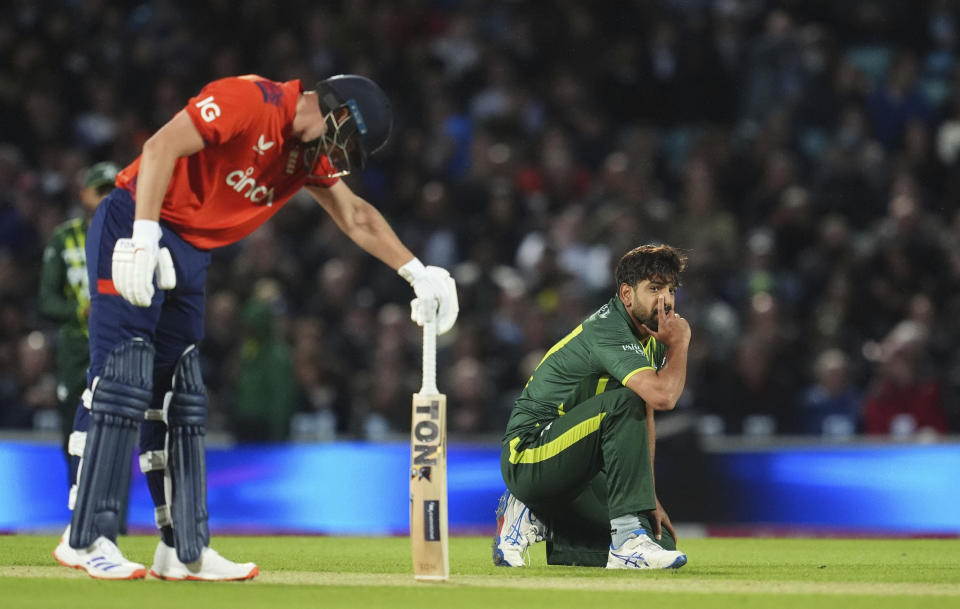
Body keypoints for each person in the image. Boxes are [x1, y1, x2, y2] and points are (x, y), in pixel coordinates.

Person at [52, 73, 458, 581]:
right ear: (334, 112)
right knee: (120, 376)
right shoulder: (251, 100)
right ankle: (85, 537)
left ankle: (183, 548)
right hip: (135, 221)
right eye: (349, 138)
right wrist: (142, 236)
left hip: (190, 251)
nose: (344, 154)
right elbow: (160, 148)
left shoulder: (307, 158)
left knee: (180, 396)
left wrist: (417, 272)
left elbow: (355, 216)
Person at [493, 244, 689, 570]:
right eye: (654, 289)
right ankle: (625, 540)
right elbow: (662, 397)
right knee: (624, 402)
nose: (665, 300)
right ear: (626, 294)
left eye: (670, 290)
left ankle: (539, 516)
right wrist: (681, 343)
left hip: (577, 465)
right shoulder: (608, 329)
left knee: (659, 537)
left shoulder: (650, 339)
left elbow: (646, 415)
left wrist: (647, 496)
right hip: (529, 453)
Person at [39, 161, 118, 462]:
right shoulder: (63, 238)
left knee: (116, 436)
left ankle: (114, 510)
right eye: (101, 192)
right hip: (75, 352)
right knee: (72, 436)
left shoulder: (133, 239)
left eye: (114, 192)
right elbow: (47, 300)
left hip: (115, 349)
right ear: (85, 195)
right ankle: (78, 505)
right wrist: (80, 311)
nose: (107, 199)